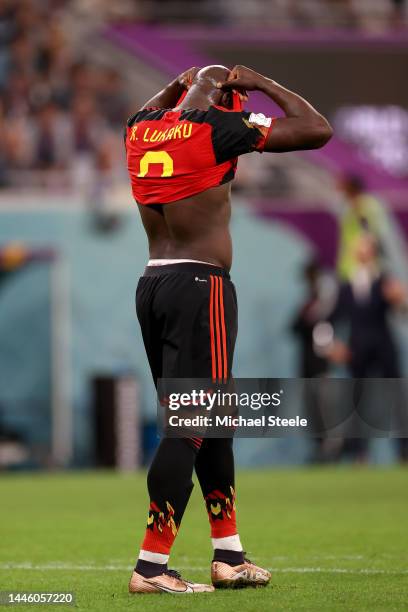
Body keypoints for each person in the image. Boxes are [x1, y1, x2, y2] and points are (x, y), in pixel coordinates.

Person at [124, 64, 332, 594]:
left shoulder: (141, 127)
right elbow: (316, 128)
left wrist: (181, 83)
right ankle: (151, 566)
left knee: (211, 419)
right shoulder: (215, 129)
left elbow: (155, 107)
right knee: (191, 425)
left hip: (153, 284)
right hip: (202, 287)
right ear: (223, 100)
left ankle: (229, 556)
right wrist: (262, 82)